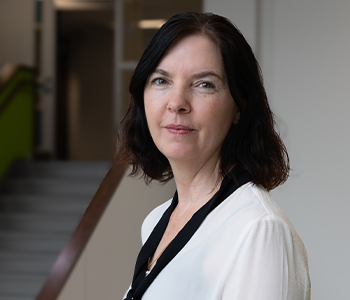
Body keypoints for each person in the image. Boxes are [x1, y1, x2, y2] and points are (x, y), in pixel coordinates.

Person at [118, 12, 310, 300]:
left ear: (239, 106)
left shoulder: (258, 232)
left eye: (204, 84)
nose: (177, 103)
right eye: (161, 80)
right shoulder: (156, 222)